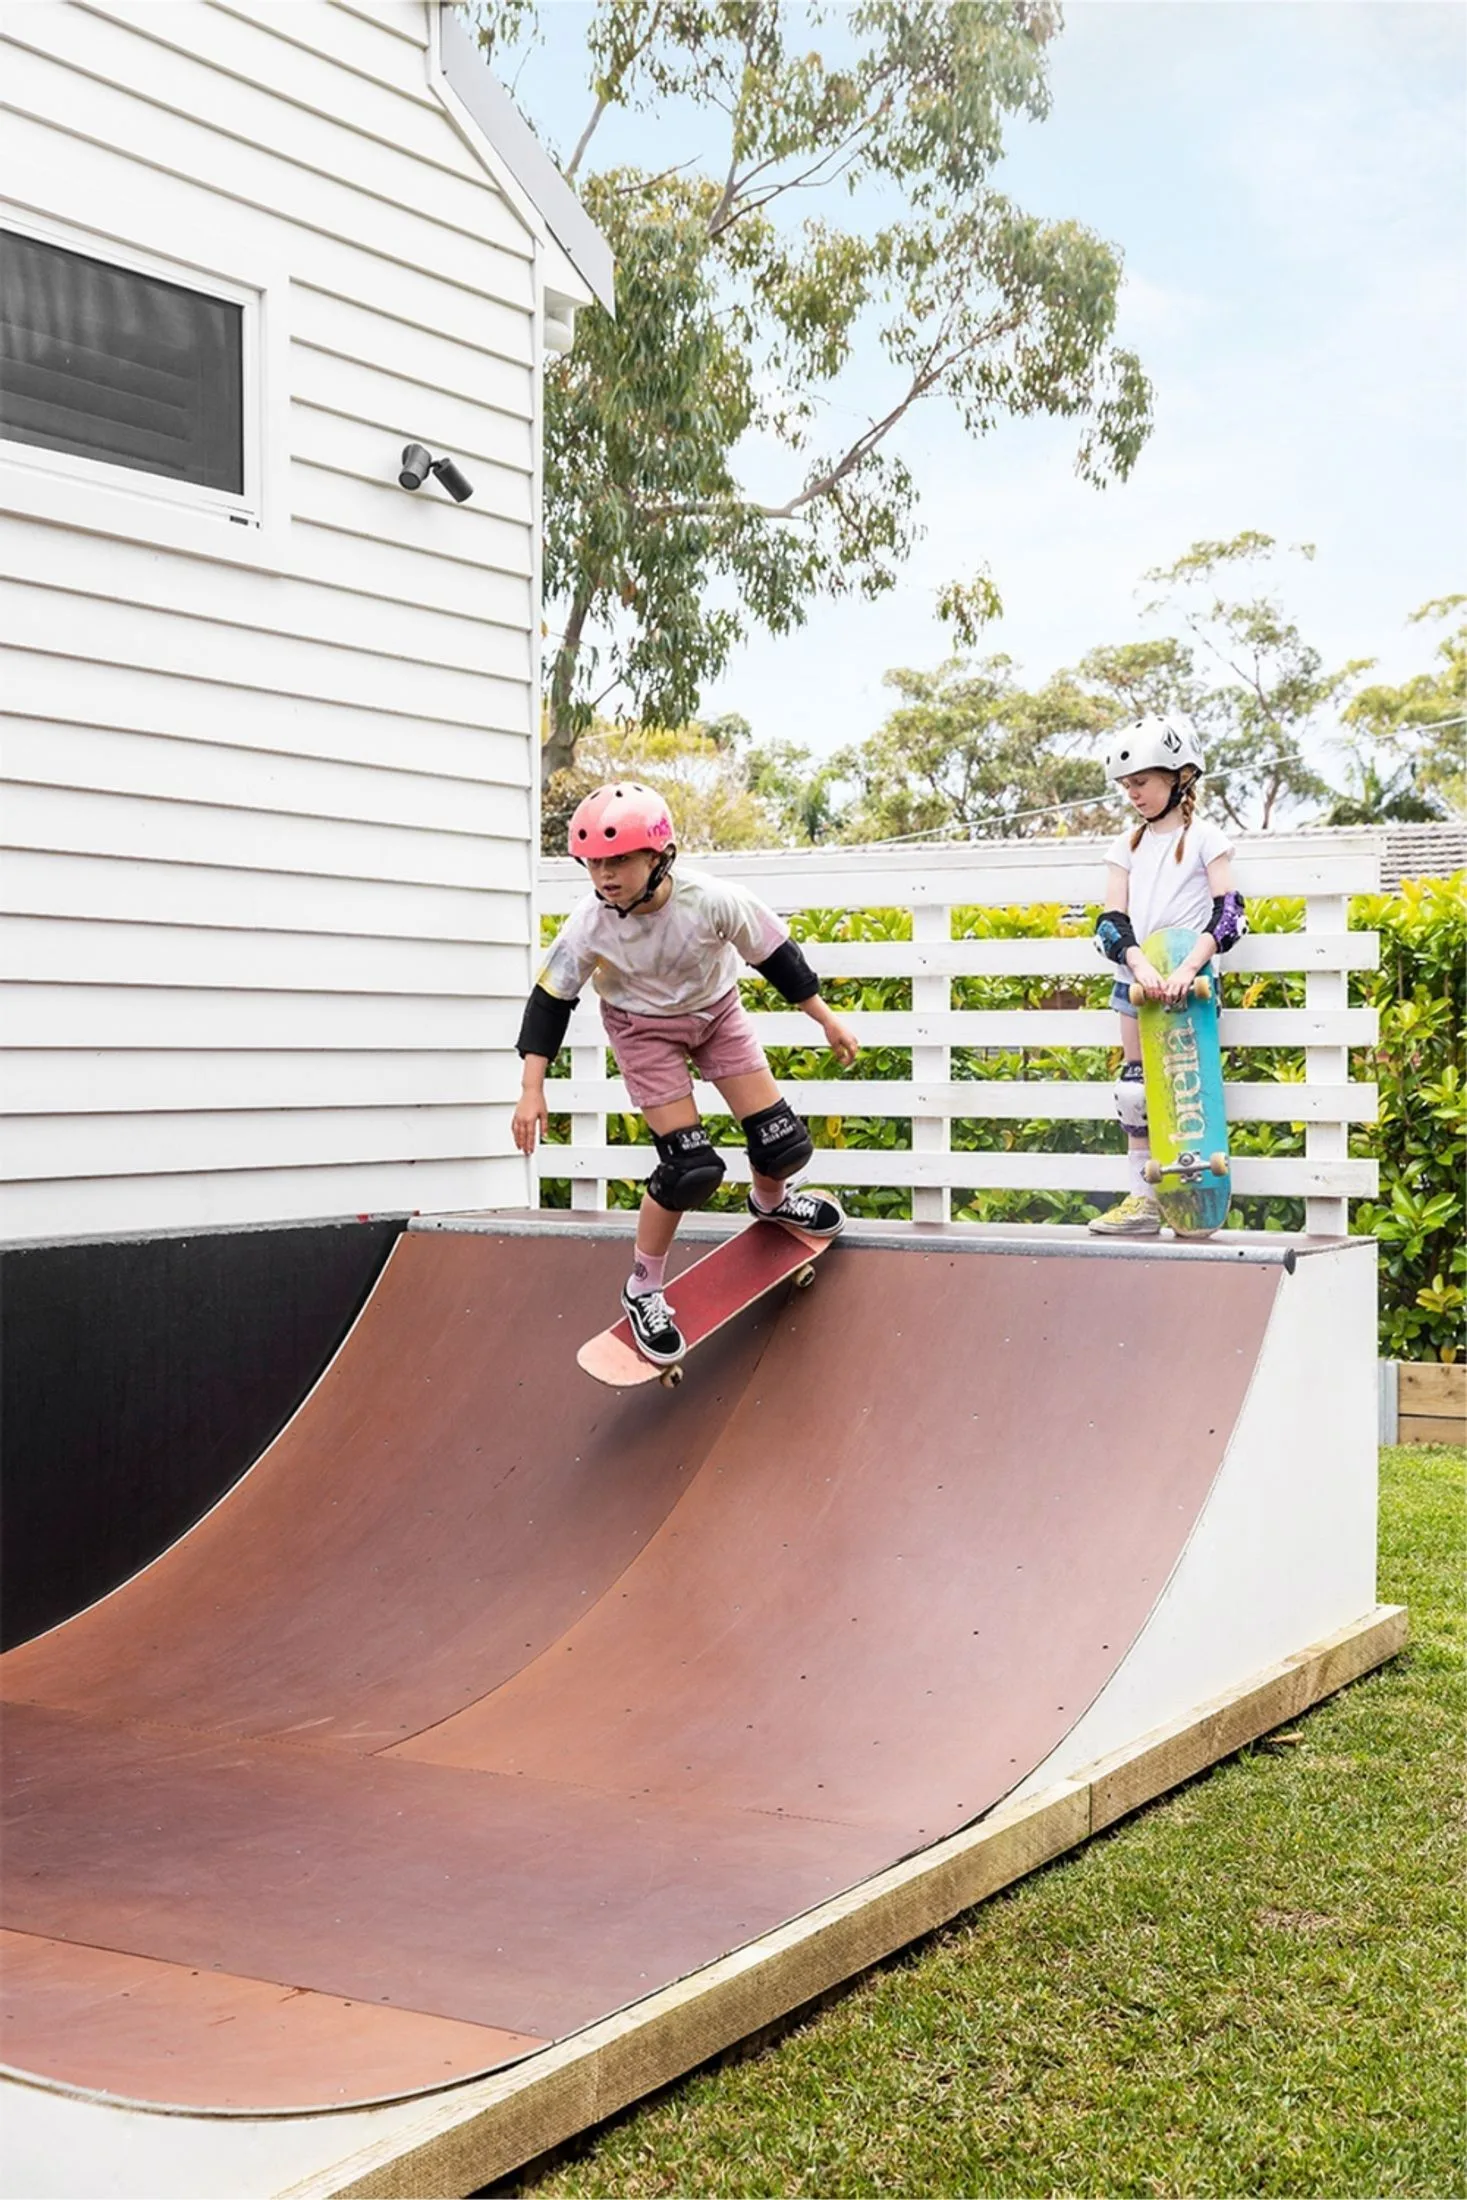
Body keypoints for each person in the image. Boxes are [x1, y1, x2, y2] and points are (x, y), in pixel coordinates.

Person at [513, 783, 860, 1363]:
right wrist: (531, 1088)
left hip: (716, 1014)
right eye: (595, 864)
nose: (605, 877)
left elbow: (774, 955)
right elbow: (551, 1000)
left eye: (619, 860)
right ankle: (643, 1287)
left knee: (783, 1144)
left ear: (659, 855)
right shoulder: (589, 924)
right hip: (641, 1029)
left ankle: (771, 1202)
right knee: (689, 1169)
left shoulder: (713, 899)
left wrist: (823, 1019)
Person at [1088, 716, 1247, 1237]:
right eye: (1126, 786)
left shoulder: (1205, 837)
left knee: (1187, 1089)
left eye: (1142, 783)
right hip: (1137, 982)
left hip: (1192, 983)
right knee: (1135, 1091)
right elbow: (1110, 920)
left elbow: (1230, 913)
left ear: (1180, 777)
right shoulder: (1125, 847)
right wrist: (1138, 963)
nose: (1133, 794)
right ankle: (1143, 1201)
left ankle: (1192, 1192)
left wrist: (1187, 966)